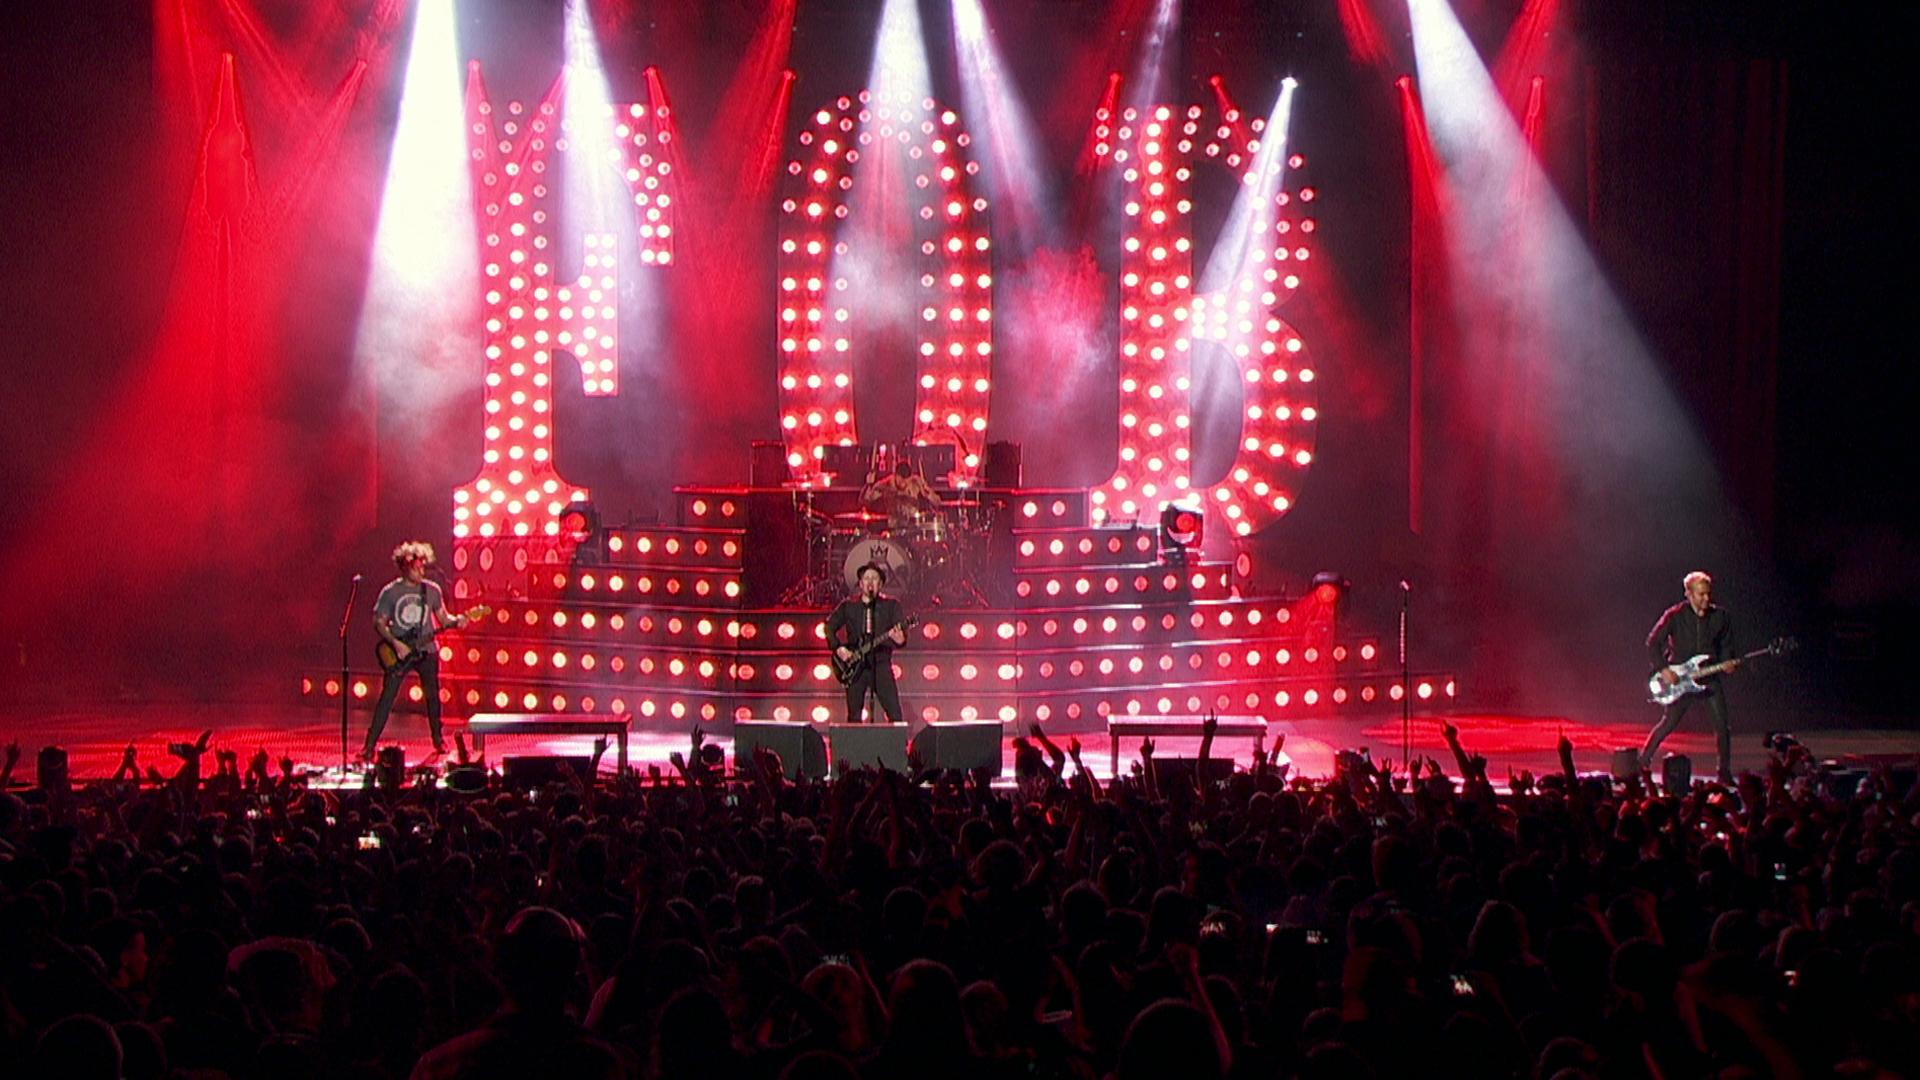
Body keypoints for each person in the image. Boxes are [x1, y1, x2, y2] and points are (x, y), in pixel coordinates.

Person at [363, 540, 467, 761]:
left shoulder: (432, 590)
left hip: (426, 650)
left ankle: (438, 740)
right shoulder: (390, 592)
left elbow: (443, 618)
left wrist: (458, 621)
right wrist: (395, 643)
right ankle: (369, 745)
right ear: (404, 567)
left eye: (423, 565)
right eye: (416, 566)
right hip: (400, 651)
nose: (421, 570)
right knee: (387, 698)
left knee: (433, 697)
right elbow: (379, 622)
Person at [1640, 570, 1738, 781]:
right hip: (1680, 680)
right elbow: (1653, 644)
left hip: (1708, 678)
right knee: (1668, 723)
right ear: (1689, 594)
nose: (1706, 599)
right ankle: (1643, 761)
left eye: (1708, 594)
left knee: (1722, 727)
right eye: (1701, 594)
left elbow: (1726, 646)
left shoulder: (1721, 617)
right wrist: (1664, 670)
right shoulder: (1674, 616)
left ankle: (1724, 772)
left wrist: (1727, 661)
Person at [824, 563, 909, 724]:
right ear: (861, 583)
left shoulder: (891, 606)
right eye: (866, 578)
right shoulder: (848, 606)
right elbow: (829, 627)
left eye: (875, 578)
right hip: (855, 667)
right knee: (854, 715)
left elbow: (901, 637)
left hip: (880, 665)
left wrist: (900, 639)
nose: (870, 582)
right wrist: (838, 648)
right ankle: (854, 747)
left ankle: (898, 747)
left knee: (894, 712)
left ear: (881, 584)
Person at [862, 459, 941, 525]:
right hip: (893, 527)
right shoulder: (885, 485)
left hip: (913, 526)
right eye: (901, 480)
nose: (903, 483)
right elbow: (865, 501)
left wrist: (927, 494)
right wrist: (868, 485)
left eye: (906, 480)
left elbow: (937, 502)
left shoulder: (916, 482)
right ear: (895, 475)